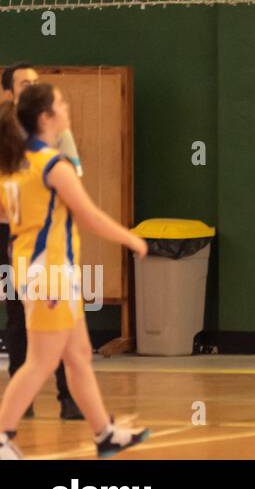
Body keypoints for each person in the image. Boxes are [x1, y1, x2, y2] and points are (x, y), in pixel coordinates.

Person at [0, 83, 150, 459]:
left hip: (36, 268)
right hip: (49, 273)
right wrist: (132, 240)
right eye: (61, 102)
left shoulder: (15, 166)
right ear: (45, 117)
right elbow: (89, 216)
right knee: (40, 362)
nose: (67, 107)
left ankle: (104, 433)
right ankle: (2, 435)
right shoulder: (53, 164)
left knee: (79, 354)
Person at [1, 63, 83, 421]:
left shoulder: (57, 140)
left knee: (67, 324)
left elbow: (74, 174)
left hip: (51, 238)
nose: (31, 87)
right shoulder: (5, 133)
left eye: (36, 82)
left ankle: (70, 398)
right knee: (19, 316)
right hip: (14, 235)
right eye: (23, 83)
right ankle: (23, 402)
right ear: (8, 93)